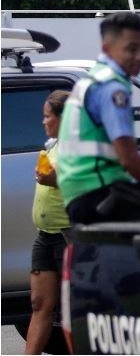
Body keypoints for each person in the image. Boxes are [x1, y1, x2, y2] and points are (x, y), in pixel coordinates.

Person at [58, 12, 140, 223]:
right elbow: (129, 158)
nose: (139, 57)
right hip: (99, 195)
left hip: (82, 197)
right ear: (107, 49)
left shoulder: (93, 79)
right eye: (131, 49)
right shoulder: (113, 87)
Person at [26, 91, 71, 356]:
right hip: (45, 235)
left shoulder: (79, 147)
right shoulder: (53, 145)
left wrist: (54, 179)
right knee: (39, 303)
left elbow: (85, 182)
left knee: (74, 308)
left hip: (68, 236)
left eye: (47, 116)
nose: (43, 121)